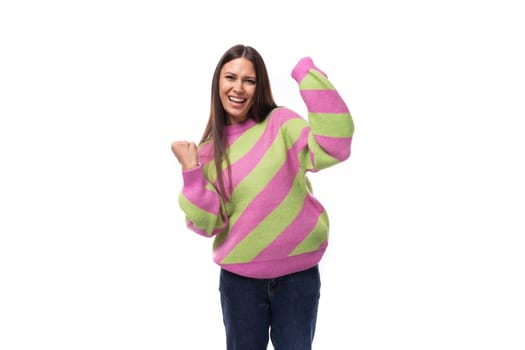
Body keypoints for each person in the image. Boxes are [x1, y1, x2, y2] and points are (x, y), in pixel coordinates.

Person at [171, 44, 354, 350]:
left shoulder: (280, 123)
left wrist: (306, 74)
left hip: (298, 278)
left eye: (249, 80)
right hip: (240, 284)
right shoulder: (207, 151)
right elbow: (206, 224)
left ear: (260, 86)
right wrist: (191, 170)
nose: (238, 88)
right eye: (230, 77)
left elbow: (336, 144)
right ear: (218, 83)